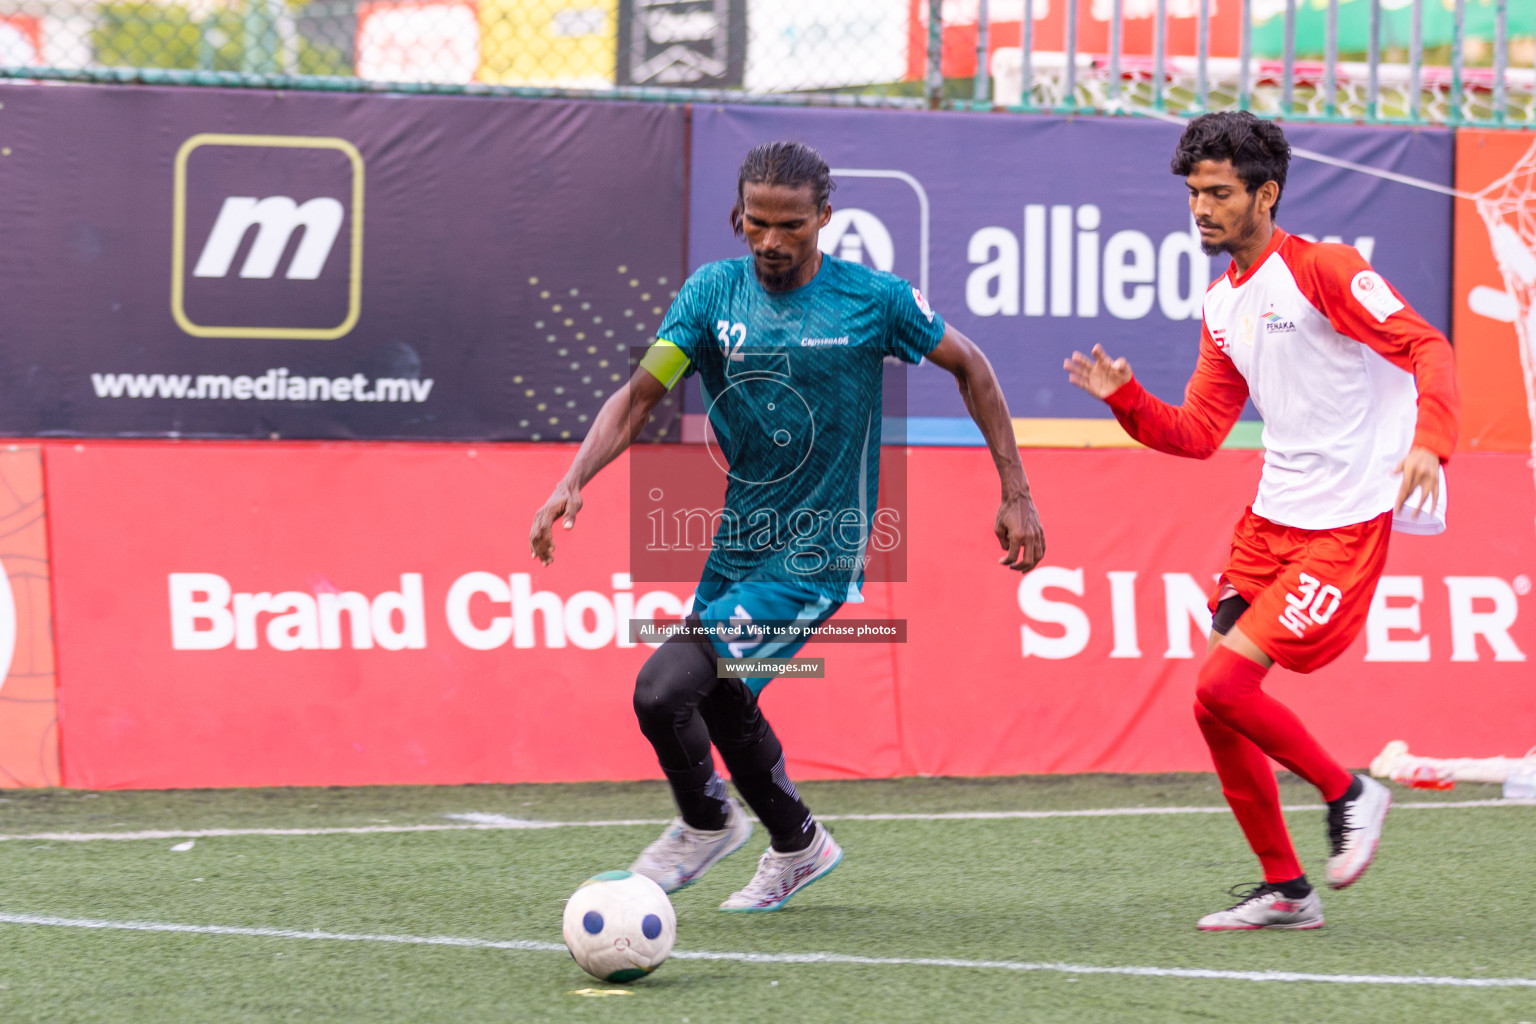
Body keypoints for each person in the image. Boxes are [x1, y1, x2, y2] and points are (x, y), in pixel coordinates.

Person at [531, 141, 1046, 912]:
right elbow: (640, 396)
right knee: (720, 699)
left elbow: (972, 365)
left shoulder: (874, 301)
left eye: (791, 227)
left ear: (824, 219)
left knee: (661, 688)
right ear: (738, 216)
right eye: (757, 224)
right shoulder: (709, 296)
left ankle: (705, 823)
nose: (771, 241)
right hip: (738, 542)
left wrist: (1016, 489)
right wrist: (574, 477)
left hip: (819, 552)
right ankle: (799, 844)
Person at [1065, 111, 1458, 931]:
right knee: (1214, 708)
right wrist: (1127, 403)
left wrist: (1432, 443)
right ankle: (1287, 888)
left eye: (1218, 193)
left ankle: (1352, 792)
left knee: (1221, 683)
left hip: (1343, 526)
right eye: (1194, 194)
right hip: (1268, 526)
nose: (1201, 209)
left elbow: (1429, 347)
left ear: (1265, 194)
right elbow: (1200, 435)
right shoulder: (1221, 305)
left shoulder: (1324, 268)